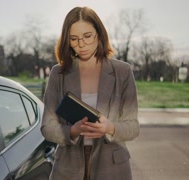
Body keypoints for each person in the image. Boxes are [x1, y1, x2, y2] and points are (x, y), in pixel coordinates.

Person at [41, 6, 140, 180]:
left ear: (99, 34)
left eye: (87, 36)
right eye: (74, 39)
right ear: (67, 40)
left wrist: (110, 127)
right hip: (67, 168)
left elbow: (133, 126)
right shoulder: (58, 74)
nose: (81, 45)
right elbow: (47, 127)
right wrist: (72, 130)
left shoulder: (123, 71)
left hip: (112, 167)